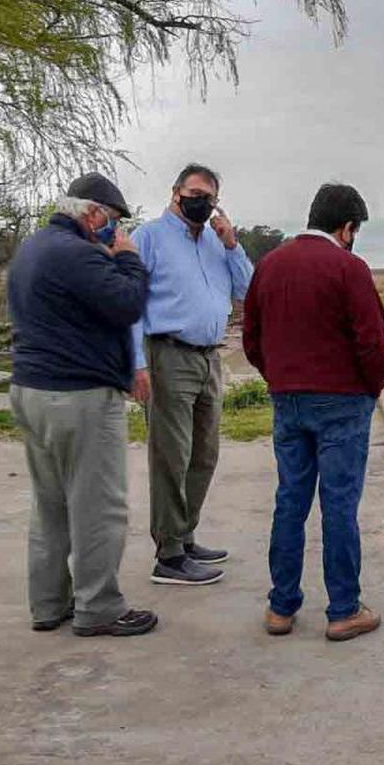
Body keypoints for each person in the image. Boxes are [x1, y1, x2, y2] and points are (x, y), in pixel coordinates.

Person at [5, 173, 157, 637]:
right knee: (98, 507)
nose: (114, 231)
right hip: (79, 396)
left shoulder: (33, 249)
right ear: (91, 213)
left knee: (50, 505)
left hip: (31, 390)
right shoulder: (78, 254)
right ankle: (99, 607)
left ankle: (48, 604)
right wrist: (129, 259)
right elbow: (128, 303)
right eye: (112, 221)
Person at [242, 183, 384, 641]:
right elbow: (371, 340)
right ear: (346, 228)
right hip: (342, 402)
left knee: (290, 500)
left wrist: (278, 377)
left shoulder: (269, 265)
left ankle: (281, 607)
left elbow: (252, 338)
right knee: (339, 504)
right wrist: (371, 388)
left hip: (289, 400)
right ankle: (343, 609)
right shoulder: (350, 268)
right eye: (355, 229)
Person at [129, 164, 254, 586]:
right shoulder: (149, 238)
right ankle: (168, 554)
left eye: (210, 197)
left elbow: (248, 291)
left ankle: (185, 535)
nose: (202, 201)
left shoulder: (218, 243)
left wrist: (233, 245)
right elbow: (130, 303)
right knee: (171, 454)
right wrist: (136, 363)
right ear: (176, 192)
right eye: (196, 192)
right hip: (168, 354)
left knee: (204, 453)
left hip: (209, 357)